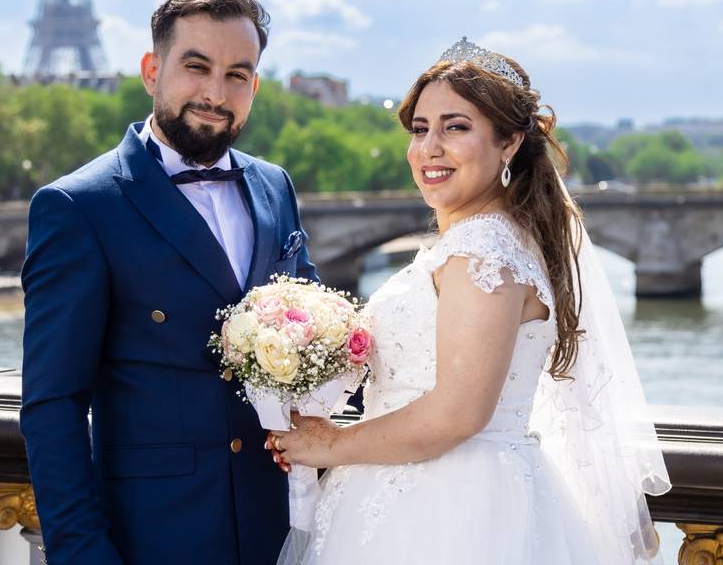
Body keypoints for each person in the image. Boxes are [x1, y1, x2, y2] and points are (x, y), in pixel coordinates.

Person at [269, 38, 671, 564]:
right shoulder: (502, 239)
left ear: (508, 143)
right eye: (420, 129)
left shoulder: (482, 249)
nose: (429, 148)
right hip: (440, 490)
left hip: (443, 509)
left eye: (455, 127)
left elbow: (458, 413)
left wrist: (331, 446)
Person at [20, 0, 317, 564]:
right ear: (152, 70)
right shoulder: (78, 206)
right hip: (155, 538)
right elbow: (52, 408)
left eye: (237, 74)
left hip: (281, 526)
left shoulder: (275, 186)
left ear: (254, 86)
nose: (215, 91)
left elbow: (308, 347)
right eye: (196, 66)